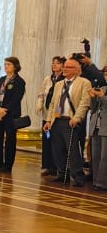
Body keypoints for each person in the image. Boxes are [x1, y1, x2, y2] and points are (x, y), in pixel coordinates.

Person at [43, 55, 92, 186]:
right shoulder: (59, 84)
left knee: (72, 149)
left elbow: (84, 103)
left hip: (71, 120)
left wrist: (77, 118)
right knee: (57, 148)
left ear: (76, 69)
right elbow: (53, 103)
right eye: (64, 67)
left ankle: (77, 175)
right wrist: (48, 120)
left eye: (68, 67)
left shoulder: (84, 83)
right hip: (57, 120)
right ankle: (62, 172)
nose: (64, 69)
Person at [0, 56, 26, 172]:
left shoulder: (19, 81)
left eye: (9, 64)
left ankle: (8, 165)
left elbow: (16, 99)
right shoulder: (1, 79)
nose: (6, 66)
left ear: (15, 67)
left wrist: (4, 110)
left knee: (10, 139)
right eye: (5, 64)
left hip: (10, 114)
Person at [36, 55, 66, 174]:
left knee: (56, 141)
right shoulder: (48, 79)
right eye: (53, 63)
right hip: (46, 115)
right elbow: (41, 93)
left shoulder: (64, 80)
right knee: (47, 138)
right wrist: (39, 105)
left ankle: (56, 166)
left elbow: (61, 100)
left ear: (63, 66)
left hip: (57, 115)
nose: (54, 65)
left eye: (57, 63)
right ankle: (47, 165)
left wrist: (56, 115)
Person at [88, 81, 107, 190]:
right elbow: (93, 108)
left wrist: (103, 97)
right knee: (96, 156)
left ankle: (102, 183)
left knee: (105, 157)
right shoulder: (103, 88)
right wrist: (93, 98)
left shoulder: (103, 92)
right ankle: (96, 181)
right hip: (96, 126)